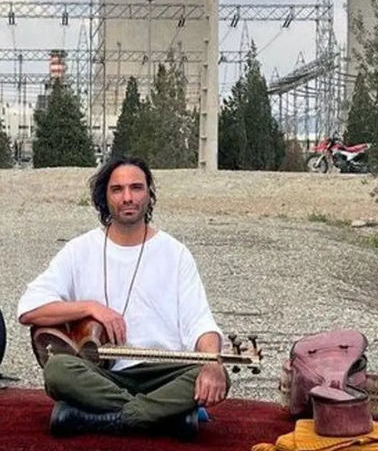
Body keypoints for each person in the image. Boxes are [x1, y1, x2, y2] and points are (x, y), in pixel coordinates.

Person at [17, 155, 230, 440]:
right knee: (57, 370)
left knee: (218, 377)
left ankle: (97, 418)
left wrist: (213, 363)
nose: (127, 197)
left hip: (162, 375)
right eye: (117, 189)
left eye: (136, 188)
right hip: (103, 376)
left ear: (149, 194)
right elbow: (29, 309)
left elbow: (200, 322)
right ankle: (164, 418)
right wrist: (91, 307)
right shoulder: (80, 250)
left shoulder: (175, 253)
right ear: (104, 198)